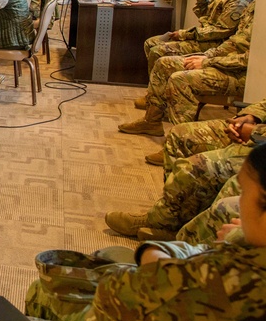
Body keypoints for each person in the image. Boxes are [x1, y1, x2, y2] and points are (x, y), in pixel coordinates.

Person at [0, 141, 266, 321]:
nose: (236, 205)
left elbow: (112, 293)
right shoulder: (236, 268)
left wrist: (154, 253)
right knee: (42, 291)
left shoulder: (209, 279)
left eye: (243, 197)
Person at [120, 0, 259, 135]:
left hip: (226, 60)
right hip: (217, 52)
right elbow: (217, 28)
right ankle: (153, 116)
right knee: (158, 54)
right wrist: (202, 0)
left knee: (169, 64)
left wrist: (193, 44)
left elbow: (221, 33)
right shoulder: (243, 0)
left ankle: (177, 136)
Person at [106, 99, 266, 240]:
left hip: (260, 143)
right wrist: (250, 116)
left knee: (196, 168)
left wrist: (254, 132)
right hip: (256, 133)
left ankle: (184, 235)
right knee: (180, 135)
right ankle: (170, 218)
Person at [139, 0, 254, 77]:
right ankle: (155, 86)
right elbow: (207, 18)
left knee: (157, 51)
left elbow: (220, 31)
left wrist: (185, 34)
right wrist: (202, 0)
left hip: (214, 43)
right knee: (151, 42)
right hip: (204, 37)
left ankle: (157, 91)